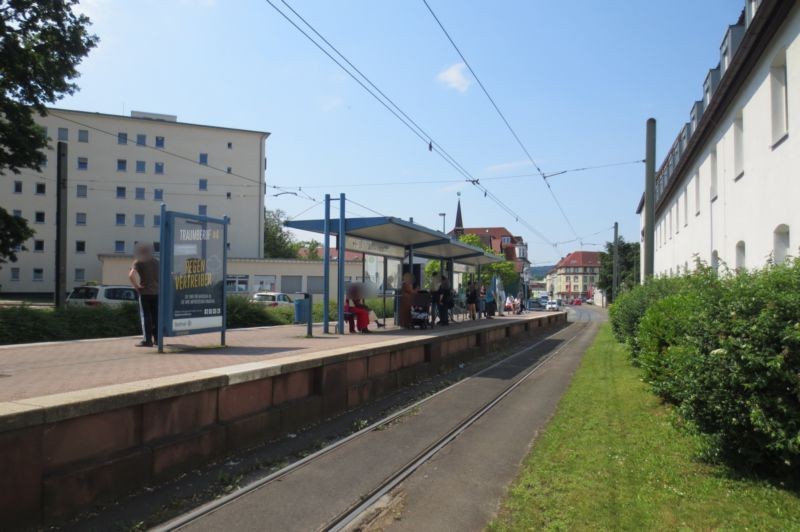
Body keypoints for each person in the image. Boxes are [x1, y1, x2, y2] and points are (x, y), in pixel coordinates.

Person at [128, 242, 159, 347]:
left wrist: (137, 287)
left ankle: (147, 341)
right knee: (156, 317)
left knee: (146, 317)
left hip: (145, 293)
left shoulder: (138, 262)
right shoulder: (156, 262)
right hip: (156, 293)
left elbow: (131, 275)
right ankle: (158, 340)